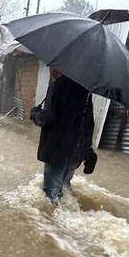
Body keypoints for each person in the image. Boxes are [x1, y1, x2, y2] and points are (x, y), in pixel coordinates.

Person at [32, 69, 95, 204]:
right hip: (75, 151)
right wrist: (87, 147)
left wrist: (35, 113)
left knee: (52, 192)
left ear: (57, 67)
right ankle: (69, 212)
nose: (50, 70)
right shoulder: (84, 89)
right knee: (65, 186)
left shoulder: (58, 86)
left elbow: (47, 118)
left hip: (57, 150)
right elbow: (89, 122)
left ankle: (55, 221)